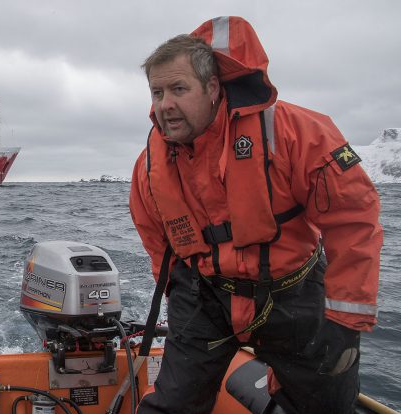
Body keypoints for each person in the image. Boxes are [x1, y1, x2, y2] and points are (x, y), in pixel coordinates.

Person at [129, 16, 383, 414]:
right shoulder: (149, 167)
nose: (165, 105)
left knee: (327, 406)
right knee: (172, 405)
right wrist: (184, 298)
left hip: (294, 295)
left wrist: (346, 322)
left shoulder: (296, 133)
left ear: (212, 88)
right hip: (205, 296)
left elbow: (354, 221)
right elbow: (156, 242)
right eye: (157, 92)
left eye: (178, 89)